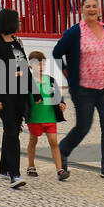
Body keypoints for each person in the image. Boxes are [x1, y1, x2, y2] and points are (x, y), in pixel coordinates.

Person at [53, 0, 104, 180]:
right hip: (83, 89)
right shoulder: (75, 32)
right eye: (88, 6)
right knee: (83, 126)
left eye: (94, 6)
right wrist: (68, 73)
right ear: (82, 10)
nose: (92, 9)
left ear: (99, 9)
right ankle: (63, 150)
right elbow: (57, 52)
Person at [0, 7, 29, 188]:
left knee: (13, 130)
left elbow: (25, 67)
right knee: (11, 131)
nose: (19, 23)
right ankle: (15, 175)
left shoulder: (17, 42)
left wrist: (34, 94)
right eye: (16, 20)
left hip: (20, 93)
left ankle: (4, 168)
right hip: (5, 94)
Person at [24, 51, 68, 180]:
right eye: (38, 64)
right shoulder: (28, 82)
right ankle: (31, 166)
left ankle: (60, 170)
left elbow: (58, 96)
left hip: (50, 116)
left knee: (54, 142)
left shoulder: (51, 80)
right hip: (35, 117)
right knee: (33, 141)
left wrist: (62, 103)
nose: (41, 66)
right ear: (31, 66)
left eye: (43, 64)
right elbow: (23, 100)